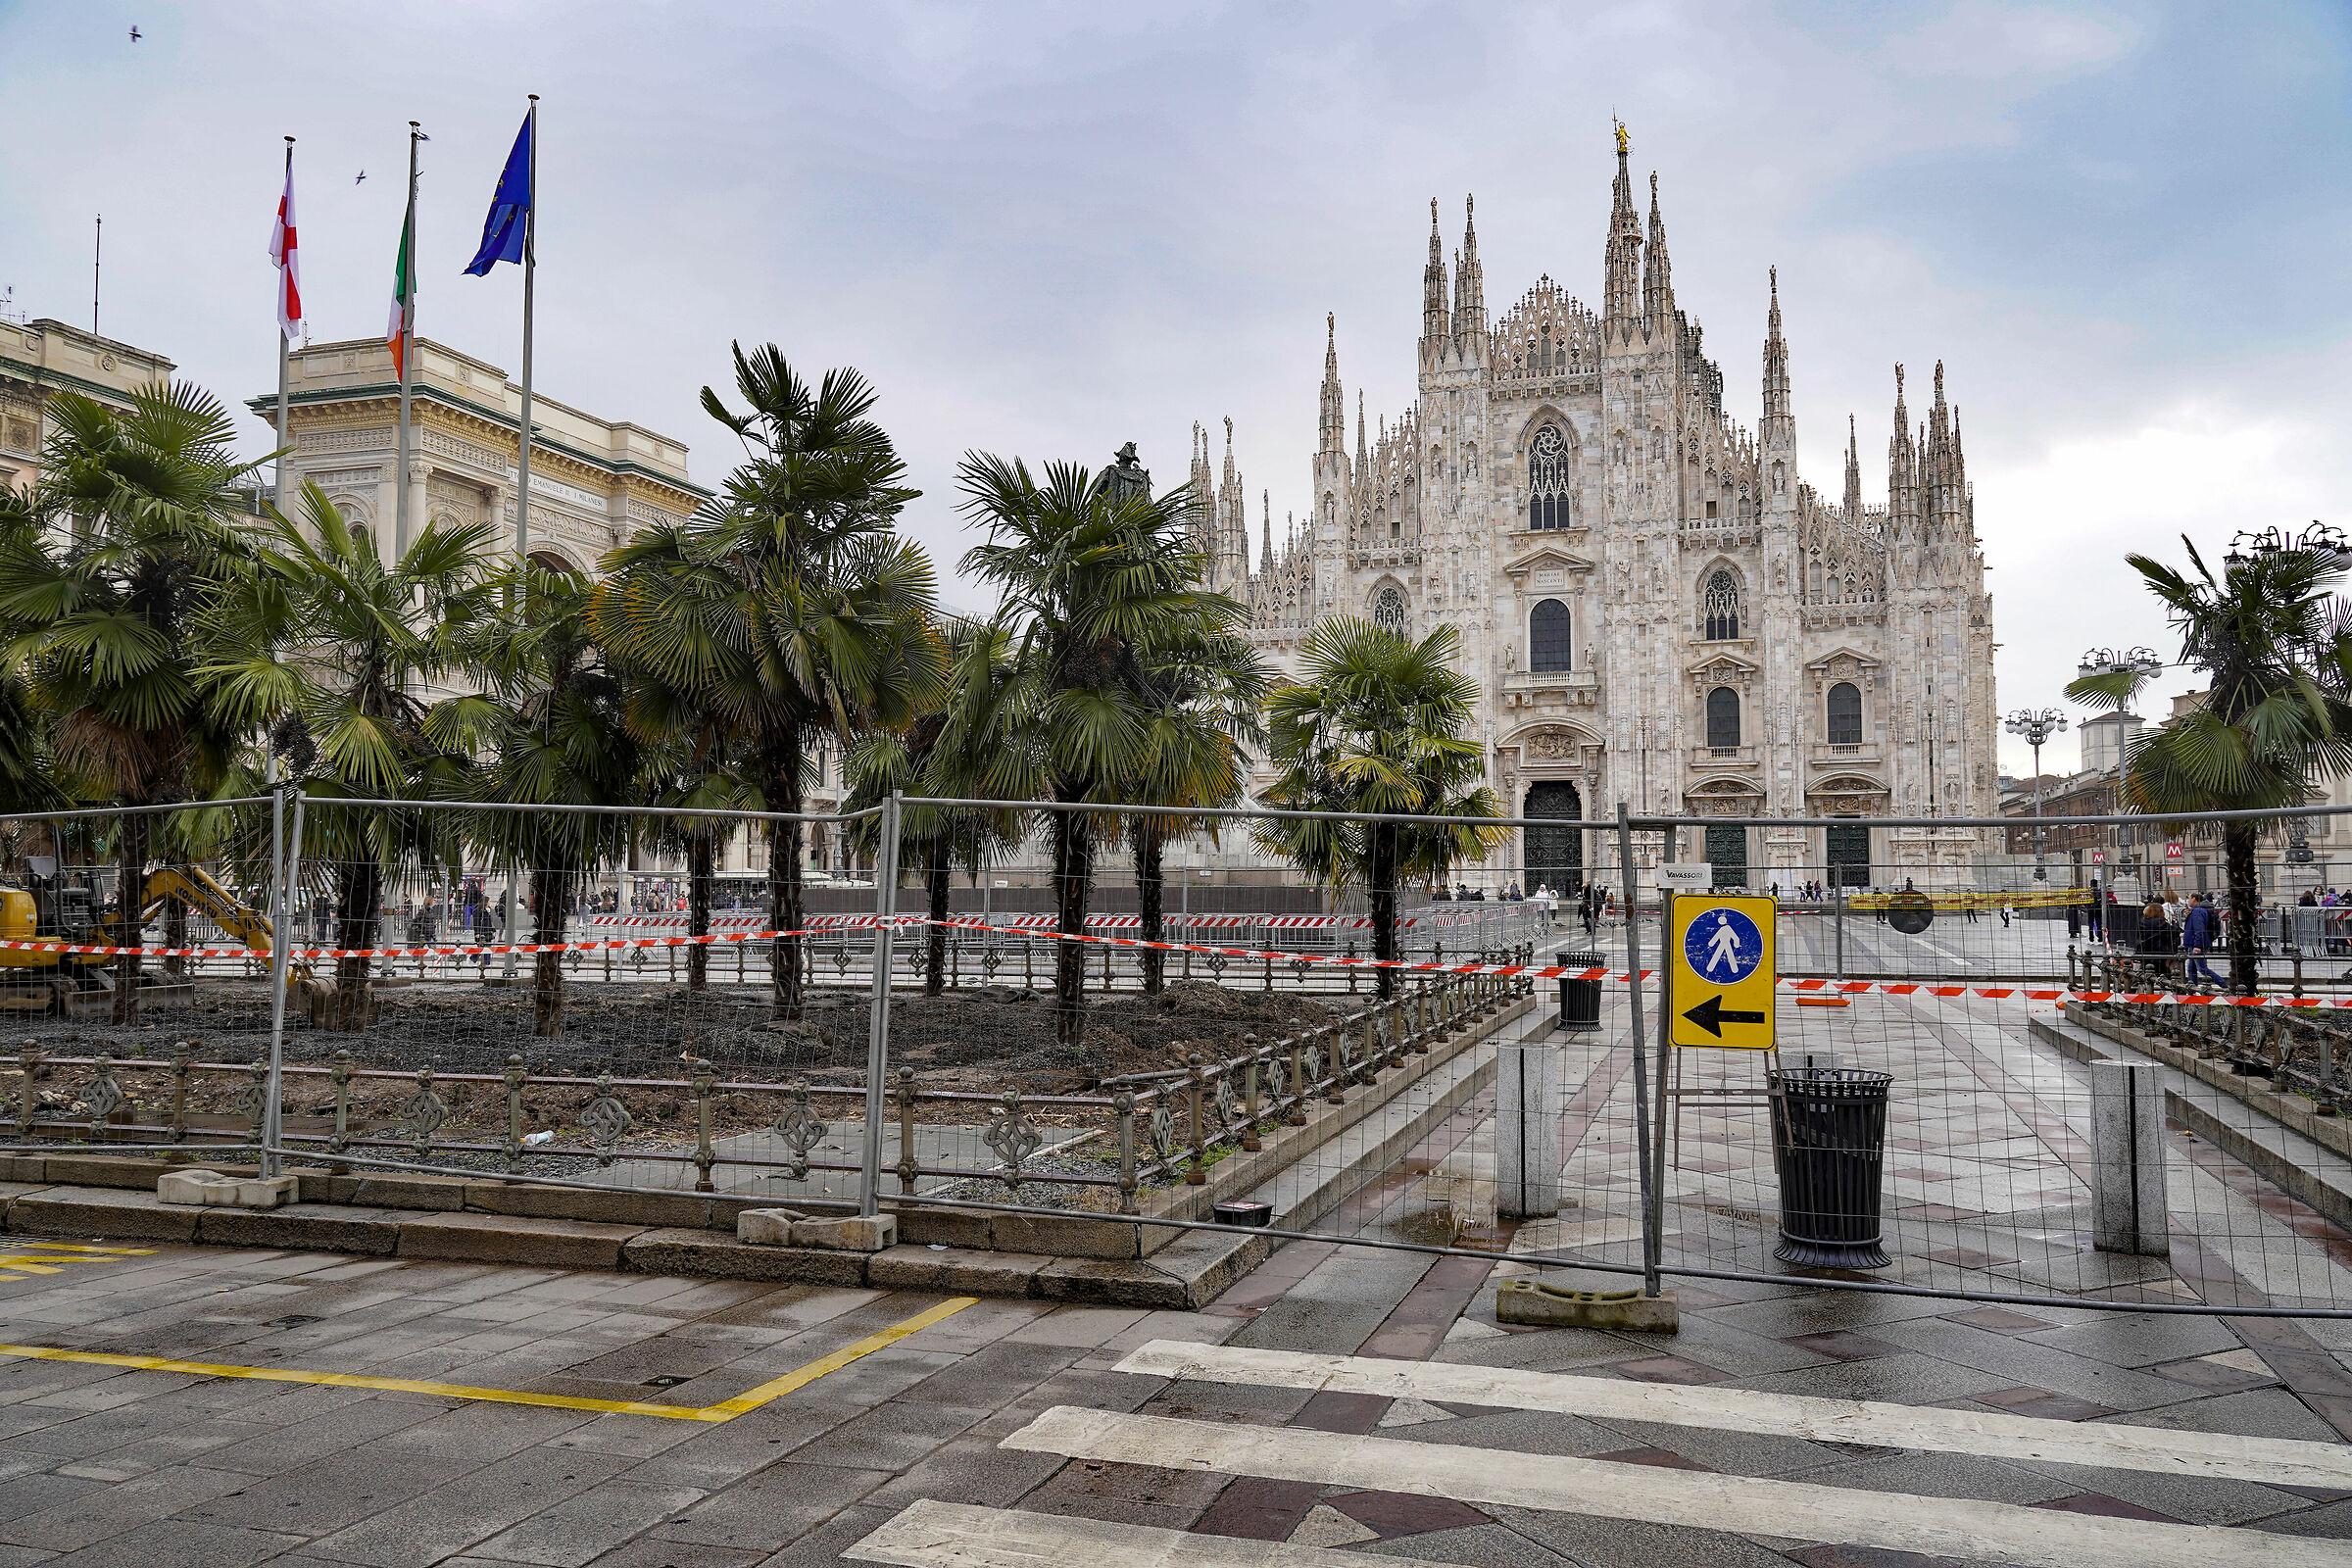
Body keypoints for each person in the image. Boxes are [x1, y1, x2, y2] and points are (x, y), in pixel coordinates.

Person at [2182, 892, 2224, 990]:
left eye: (2189, 898)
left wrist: (2198, 945)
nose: (2188, 901)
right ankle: (2192, 989)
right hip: (2196, 942)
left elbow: (2199, 929)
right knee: (2191, 968)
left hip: (2196, 943)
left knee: (2201, 968)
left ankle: (2224, 985)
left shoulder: (2198, 911)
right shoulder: (2200, 910)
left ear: (2194, 899)